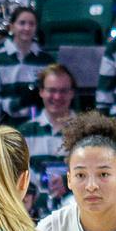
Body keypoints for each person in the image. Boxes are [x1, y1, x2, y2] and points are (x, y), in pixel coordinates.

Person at [22, 63, 77, 216]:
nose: (57, 97)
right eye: (52, 90)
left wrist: (68, 183)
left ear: (72, 93)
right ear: (41, 92)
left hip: (76, 212)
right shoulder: (24, 133)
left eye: (63, 91)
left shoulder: (87, 131)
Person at [0, 6, 46, 123]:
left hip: (39, 126)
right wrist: (20, 103)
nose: (27, 28)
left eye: (31, 24)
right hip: (8, 126)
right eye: (22, 23)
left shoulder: (45, 60)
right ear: (12, 27)